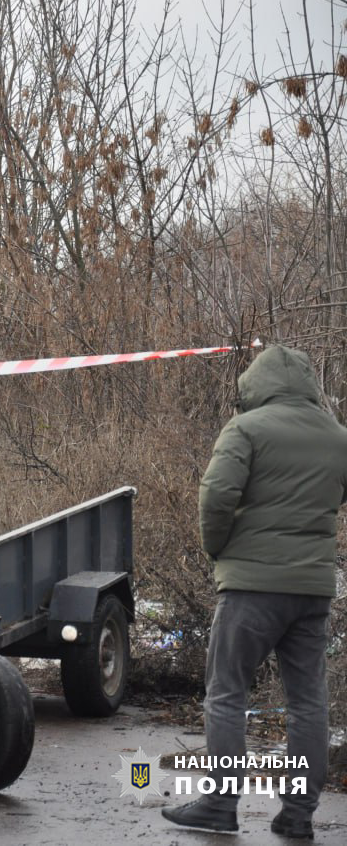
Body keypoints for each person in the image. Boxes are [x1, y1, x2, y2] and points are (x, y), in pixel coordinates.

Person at [162, 345, 347, 840]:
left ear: (256, 386)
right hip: (312, 591)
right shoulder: (338, 437)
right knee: (308, 702)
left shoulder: (246, 429)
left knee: (226, 693)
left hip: (251, 588)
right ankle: (298, 815)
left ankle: (220, 805)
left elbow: (217, 495)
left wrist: (218, 549)